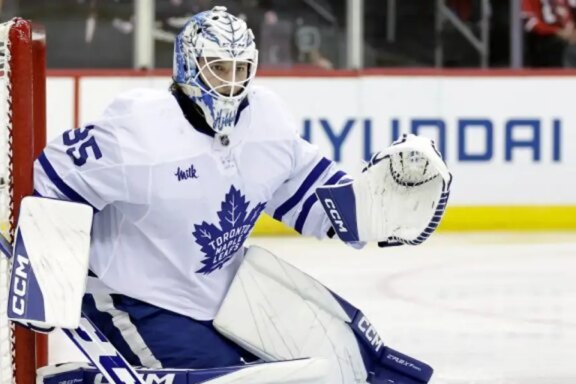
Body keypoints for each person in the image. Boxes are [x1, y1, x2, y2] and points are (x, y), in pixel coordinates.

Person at [33, 6, 448, 380]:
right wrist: (43, 280)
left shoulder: (267, 120)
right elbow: (55, 175)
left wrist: (373, 209)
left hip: (230, 291)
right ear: (187, 66)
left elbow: (309, 195)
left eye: (240, 69)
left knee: (353, 366)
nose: (231, 84)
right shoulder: (139, 131)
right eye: (217, 68)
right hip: (138, 298)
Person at [522, 0, 576, 67]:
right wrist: (556, 31)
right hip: (546, 38)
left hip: (570, 34)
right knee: (569, 50)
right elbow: (530, 24)